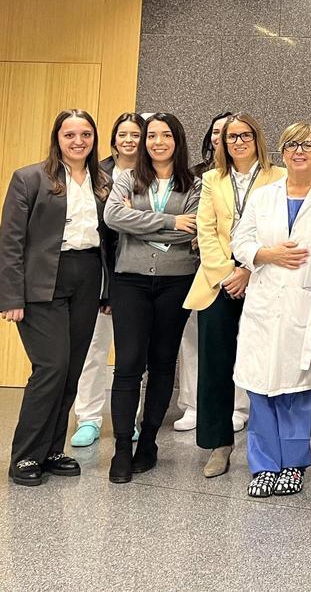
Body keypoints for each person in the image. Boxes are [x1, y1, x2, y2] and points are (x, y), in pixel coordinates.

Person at [2, 110, 112, 485]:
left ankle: (51, 450)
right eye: (70, 134)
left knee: (71, 371)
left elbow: (110, 240)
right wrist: (10, 296)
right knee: (50, 367)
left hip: (86, 279)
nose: (78, 141)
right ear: (57, 137)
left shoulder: (103, 181)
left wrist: (107, 290)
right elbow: (11, 242)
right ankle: (25, 457)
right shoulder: (29, 178)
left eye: (86, 134)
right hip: (41, 283)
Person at [231, 123, 311, 497]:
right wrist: (268, 254)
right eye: (291, 144)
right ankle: (263, 465)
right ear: (281, 151)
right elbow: (240, 240)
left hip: (307, 304)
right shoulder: (263, 197)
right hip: (265, 302)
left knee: (300, 389)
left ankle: (293, 463)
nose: (299, 151)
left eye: (307, 145)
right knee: (260, 389)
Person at [183, 113, 284, 479]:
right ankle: (219, 444)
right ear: (221, 144)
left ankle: (268, 443)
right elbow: (206, 232)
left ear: (257, 138)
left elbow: (282, 229)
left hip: (262, 277)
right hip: (219, 281)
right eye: (230, 138)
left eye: (244, 135)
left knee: (266, 363)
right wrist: (227, 273)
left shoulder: (279, 176)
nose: (238, 142)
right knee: (215, 364)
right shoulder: (212, 179)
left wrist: (248, 269)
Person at [104, 112, 201, 484]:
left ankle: (148, 442)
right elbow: (113, 217)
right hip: (130, 281)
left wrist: (139, 219)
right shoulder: (128, 177)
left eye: (165, 136)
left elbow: (194, 230)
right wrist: (168, 222)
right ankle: (122, 449)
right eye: (151, 136)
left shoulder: (194, 184)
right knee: (128, 364)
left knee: (162, 364)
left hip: (176, 281)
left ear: (177, 140)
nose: (157, 142)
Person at [69, 113, 144, 448]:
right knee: (93, 349)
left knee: (132, 354)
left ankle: (130, 418)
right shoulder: (96, 174)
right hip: (100, 275)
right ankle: (88, 417)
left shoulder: (153, 174)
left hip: (138, 274)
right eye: (122, 134)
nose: (129, 140)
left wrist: (132, 214)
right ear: (112, 139)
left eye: (135, 135)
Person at [175, 111, 232, 434]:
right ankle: (192, 405)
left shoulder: (254, 176)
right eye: (216, 131)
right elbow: (187, 222)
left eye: (230, 131)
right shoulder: (194, 175)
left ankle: (237, 407)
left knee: (235, 343)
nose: (222, 136)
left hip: (237, 272)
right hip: (195, 269)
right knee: (193, 342)